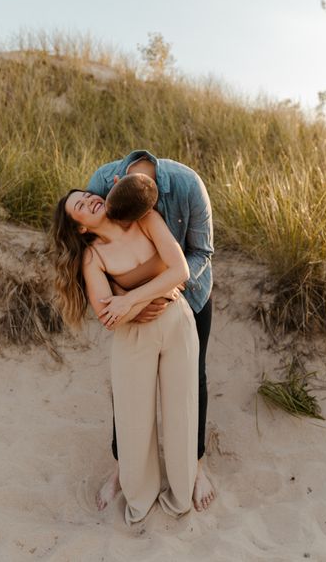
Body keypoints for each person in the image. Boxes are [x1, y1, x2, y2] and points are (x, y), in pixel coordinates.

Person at [52, 175, 199, 524]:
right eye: (80, 206)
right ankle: (139, 499)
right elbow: (109, 317)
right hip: (133, 339)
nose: (90, 201)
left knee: (182, 412)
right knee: (135, 422)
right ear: (81, 227)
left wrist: (130, 298)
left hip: (178, 323)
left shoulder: (144, 218)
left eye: (88, 196)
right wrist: (147, 299)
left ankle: (180, 496)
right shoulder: (93, 257)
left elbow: (180, 270)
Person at [87, 150, 215, 513]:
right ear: (113, 185)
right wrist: (127, 300)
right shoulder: (102, 181)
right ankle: (121, 468)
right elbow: (94, 244)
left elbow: (201, 253)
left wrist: (159, 292)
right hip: (130, 302)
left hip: (189, 295)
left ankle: (197, 467)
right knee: (128, 386)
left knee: (195, 381)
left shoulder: (189, 185)